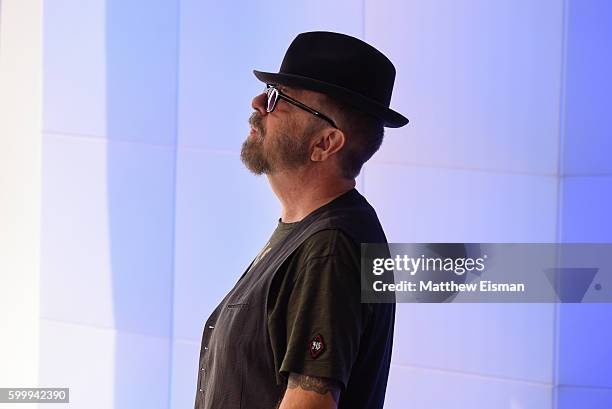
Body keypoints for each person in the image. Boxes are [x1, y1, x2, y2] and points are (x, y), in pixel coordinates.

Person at [194, 31, 409, 409]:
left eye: (279, 98)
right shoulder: (312, 233)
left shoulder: (330, 248)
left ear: (325, 142)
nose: (258, 102)